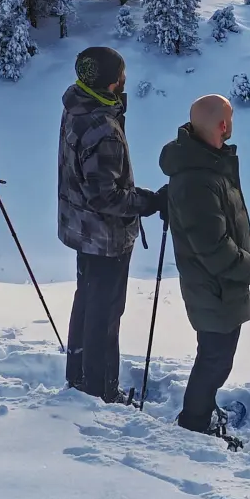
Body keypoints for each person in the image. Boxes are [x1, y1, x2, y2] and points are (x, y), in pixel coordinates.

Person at [158, 94, 250, 441]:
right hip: (212, 288)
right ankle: (194, 423)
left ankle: (201, 412)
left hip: (222, 287)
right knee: (214, 359)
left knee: (217, 357)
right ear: (222, 125)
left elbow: (236, 223)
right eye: (229, 119)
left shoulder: (213, 166)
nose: (231, 126)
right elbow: (215, 249)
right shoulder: (198, 179)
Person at [58, 46, 162, 403]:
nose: (125, 78)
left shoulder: (77, 106)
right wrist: (151, 202)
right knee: (105, 311)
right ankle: (100, 390)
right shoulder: (102, 126)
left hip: (83, 229)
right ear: (112, 81)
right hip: (105, 236)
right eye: (122, 73)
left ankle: (79, 378)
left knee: (87, 301)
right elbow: (105, 196)